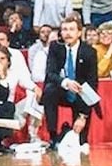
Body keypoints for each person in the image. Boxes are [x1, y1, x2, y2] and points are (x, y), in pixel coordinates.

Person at [42, 15, 99, 148]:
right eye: (65, 29)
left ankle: (77, 132)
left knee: (80, 143)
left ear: (79, 32)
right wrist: (66, 82)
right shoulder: (55, 47)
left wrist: (83, 116)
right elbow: (50, 74)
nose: (68, 33)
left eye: (71, 29)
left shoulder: (89, 52)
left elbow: (92, 83)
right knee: (49, 90)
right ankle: (53, 135)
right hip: (62, 90)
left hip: (82, 94)